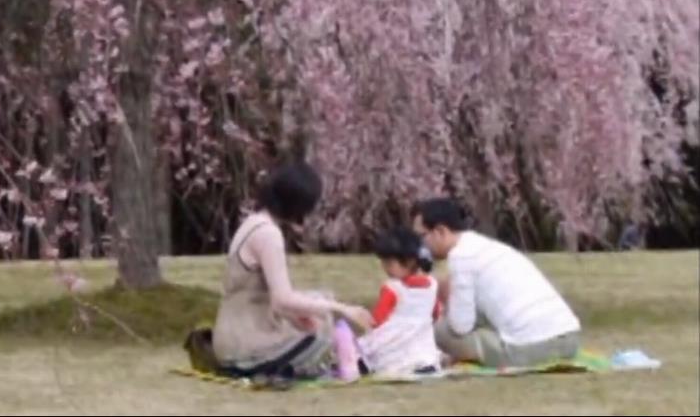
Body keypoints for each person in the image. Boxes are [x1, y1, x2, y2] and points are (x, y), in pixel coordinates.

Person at [199, 162, 375, 379]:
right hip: (244, 347)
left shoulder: (253, 222)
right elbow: (282, 299)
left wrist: (299, 316)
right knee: (322, 334)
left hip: (232, 338)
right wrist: (341, 308)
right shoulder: (268, 234)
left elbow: (274, 301)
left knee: (317, 303)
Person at [412, 198, 581, 368]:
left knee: (437, 330)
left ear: (440, 231)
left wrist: (446, 301)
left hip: (531, 349)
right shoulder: (483, 246)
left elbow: (459, 327)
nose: (421, 245)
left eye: (422, 236)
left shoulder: (461, 257)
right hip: (569, 339)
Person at [357, 225, 443, 377]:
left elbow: (378, 319)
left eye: (389, 263)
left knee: (363, 347)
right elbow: (435, 313)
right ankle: (423, 364)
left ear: (409, 261)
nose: (385, 268)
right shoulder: (432, 285)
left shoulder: (392, 288)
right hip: (422, 343)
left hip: (393, 341)